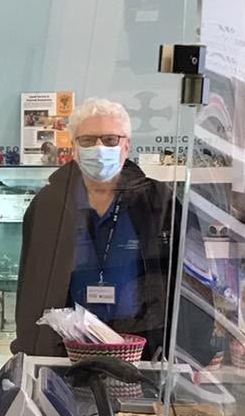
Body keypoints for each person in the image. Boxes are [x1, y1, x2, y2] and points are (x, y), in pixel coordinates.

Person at [12, 98, 177, 357]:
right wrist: (27, 346)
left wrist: (181, 351)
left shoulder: (158, 201)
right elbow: (30, 284)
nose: (99, 148)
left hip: (141, 350)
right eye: (87, 140)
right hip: (64, 350)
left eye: (110, 140)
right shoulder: (48, 204)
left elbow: (185, 281)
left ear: (126, 146)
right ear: (75, 148)